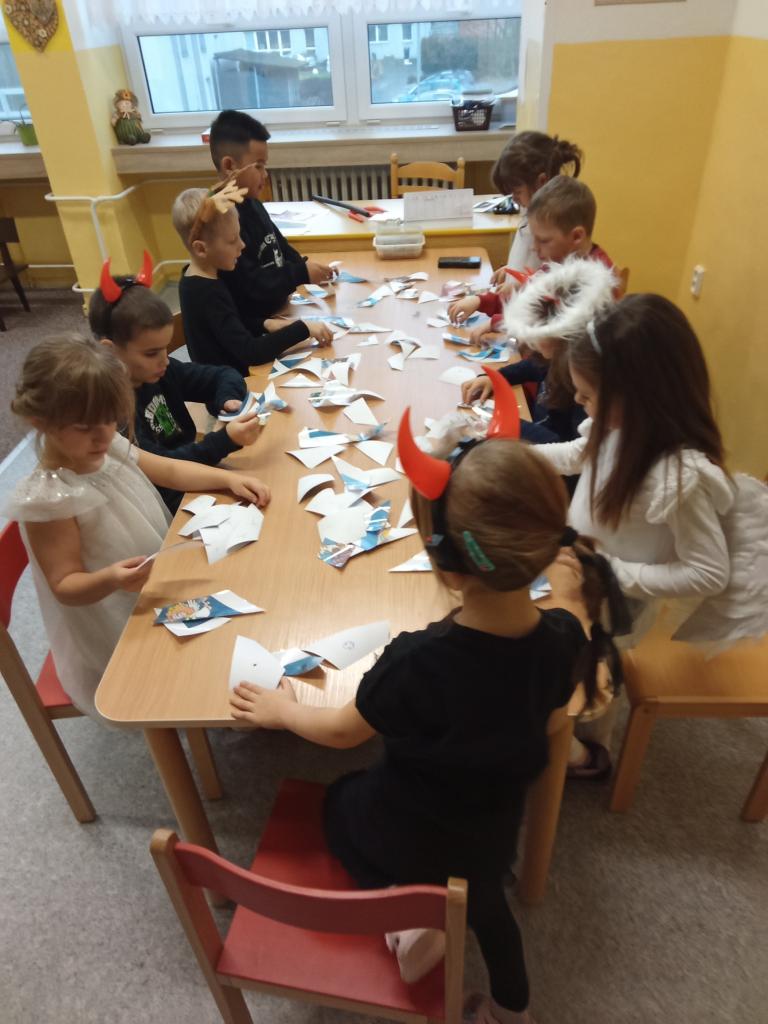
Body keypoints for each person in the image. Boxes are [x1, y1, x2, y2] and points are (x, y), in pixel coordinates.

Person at [230, 370, 629, 1024]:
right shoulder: (562, 639)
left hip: (409, 821)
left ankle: (410, 915)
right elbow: (575, 642)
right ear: (543, 547)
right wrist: (569, 590)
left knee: (339, 800)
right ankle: (510, 1013)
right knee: (491, 914)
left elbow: (341, 734)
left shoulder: (415, 660)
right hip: (491, 832)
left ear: (443, 566)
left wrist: (281, 709)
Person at [535, 293, 768, 774]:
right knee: (562, 656)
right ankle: (568, 732)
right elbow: (576, 455)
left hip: (618, 599)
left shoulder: (681, 477)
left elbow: (708, 573)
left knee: (597, 673)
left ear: (636, 395)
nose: (578, 402)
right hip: (584, 575)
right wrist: (508, 454)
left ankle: (591, 755)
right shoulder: (616, 426)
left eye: (587, 395)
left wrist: (613, 571)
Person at [5, 336, 271, 719]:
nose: (103, 434)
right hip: (115, 614)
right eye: (84, 426)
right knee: (189, 671)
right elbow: (65, 585)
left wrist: (227, 479)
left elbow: (168, 469)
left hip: (152, 581)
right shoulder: (50, 498)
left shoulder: (106, 443)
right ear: (40, 421)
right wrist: (112, 578)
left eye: (109, 419)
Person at [88, 253, 263, 514]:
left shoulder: (160, 371)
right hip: (171, 503)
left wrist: (226, 400)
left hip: (199, 474)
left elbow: (224, 375)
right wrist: (224, 441)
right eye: (151, 353)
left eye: (165, 349)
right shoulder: (114, 416)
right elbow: (164, 472)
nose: (165, 360)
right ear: (110, 351)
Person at [172, 179, 332, 377]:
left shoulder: (203, 276)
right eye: (232, 240)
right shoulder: (206, 293)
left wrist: (266, 324)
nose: (242, 245)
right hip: (234, 387)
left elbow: (231, 322)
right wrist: (303, 328)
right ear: (201, 249)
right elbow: (251, 352)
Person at [461, 256, 617, 447]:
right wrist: (497, 377)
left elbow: (570, 449)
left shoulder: (584, 385)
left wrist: (513, 426)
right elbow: (534, 366)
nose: (530, 342)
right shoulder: (555, 356)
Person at [209, 109, 332, 332]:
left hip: (282, 309)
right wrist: (301, 273)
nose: (265, 174)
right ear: (229, 166)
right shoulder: (222, 221)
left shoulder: (253, 203)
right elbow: (252, 285)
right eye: (258, 166)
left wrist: (304, 265)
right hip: (259, 328)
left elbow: (279, 246)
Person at [448, 176, 613, 336]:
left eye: (543, 240)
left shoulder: (596, 283)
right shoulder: (556, 263)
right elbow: (525, 300)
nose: (534, 248)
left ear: (576, 236)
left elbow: (553, 329)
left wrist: (499, 322)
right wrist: (480, 301)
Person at [490, 131, 583, 283]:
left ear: (542, 182)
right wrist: (510, 269)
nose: (514, 199)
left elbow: (552, 278)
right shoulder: (533, 214)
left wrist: (518, 284)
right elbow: (530, 263)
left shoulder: (552, 227)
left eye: (517, 192)